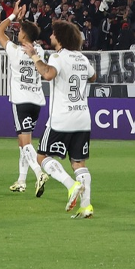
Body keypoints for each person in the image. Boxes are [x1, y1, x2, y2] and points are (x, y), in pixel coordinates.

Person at [24, 20, 97, 219]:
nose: (50, 37)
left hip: (62, 118)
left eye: (53, 34)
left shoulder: (58, 57)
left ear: (61, 37)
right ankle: (86, 206)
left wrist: (34, 56)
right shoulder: (82, 58)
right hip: (82, 118)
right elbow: (93, 76)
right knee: (79, 163)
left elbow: (48, 74)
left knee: (41, 157)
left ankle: (70, 185)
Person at [0, 1, 47, 195]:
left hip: (21, 100)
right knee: (23, 143)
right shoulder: (39, 51)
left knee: (25, 144)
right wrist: (23, 22)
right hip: (36, 101)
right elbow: (32, 35)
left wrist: (13, 17)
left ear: (24, 35)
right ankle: (21, 180)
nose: (17, 33)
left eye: (20, 31)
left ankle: (39, 172)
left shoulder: (15, 52)